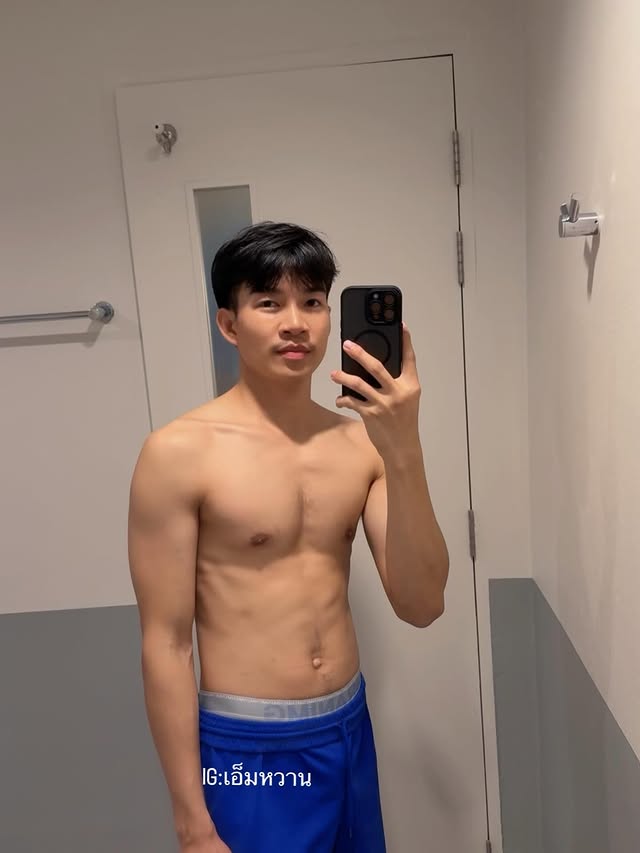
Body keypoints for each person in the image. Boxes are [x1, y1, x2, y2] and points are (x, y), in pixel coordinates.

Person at [127, 221, 449, 852]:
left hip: (347, 728)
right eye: (269, 303)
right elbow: (165, 644)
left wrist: (403, 444)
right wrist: (193, 827)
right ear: (229, 324)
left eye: (312, 302)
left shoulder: (361, 445)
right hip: (248, 749)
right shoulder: (178, 453)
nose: (296, 323)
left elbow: (423, 604)